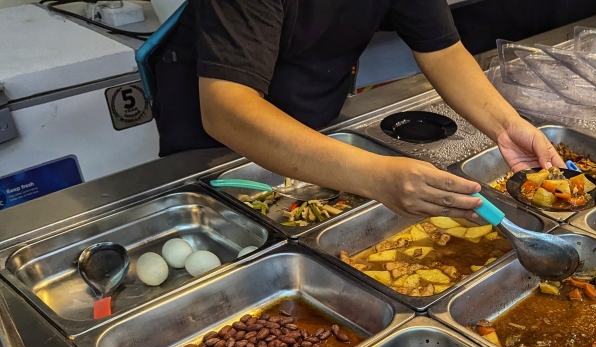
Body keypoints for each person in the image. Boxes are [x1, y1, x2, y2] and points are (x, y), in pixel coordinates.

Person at [149, 0, 564, 219]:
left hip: (314, 120)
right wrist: (374, 175)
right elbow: (226, 109)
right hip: (214, 149)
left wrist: (507, 126)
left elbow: (443, 49)